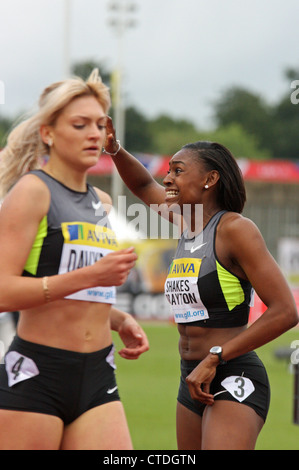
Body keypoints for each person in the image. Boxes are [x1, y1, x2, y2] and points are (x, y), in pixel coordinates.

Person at [104, 121, 298, 450]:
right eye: (167, 171)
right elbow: (141, 184)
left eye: (177, 171)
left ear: (210, 179)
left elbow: (286, 311)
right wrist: (115, 150)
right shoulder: (186, 222)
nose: (167, 179)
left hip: (232, 372)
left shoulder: (235, 229)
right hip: (191, 377)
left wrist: (215, 358)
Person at [0, 70, 149, 450]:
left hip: (99, 373)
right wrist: (91, 276)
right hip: (37, 375)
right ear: (48, 133)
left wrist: (118, 318)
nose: (95, 134)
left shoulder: (102, 202)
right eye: (80, 125)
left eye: (100, 125)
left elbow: (76, 286)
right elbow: (3, 292)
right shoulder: (32, 191)